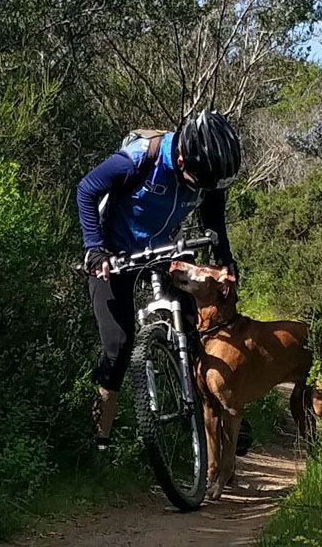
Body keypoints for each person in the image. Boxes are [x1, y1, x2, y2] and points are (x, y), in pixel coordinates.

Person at [76, 110, 242, 449]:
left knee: (196, 325)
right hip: (115, 253)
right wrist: (95, 250)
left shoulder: (208, 173)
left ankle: (219, 409)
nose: (206, 188)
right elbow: (87, 189)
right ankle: (99, 440)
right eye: (201, 182)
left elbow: (214, 219)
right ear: (182, 160)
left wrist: (226, 259)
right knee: (118, 346)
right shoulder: (139, 159)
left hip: (166, 249)